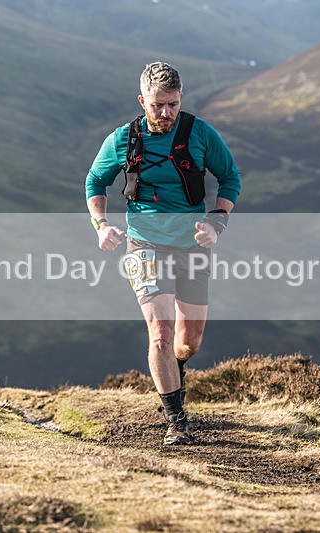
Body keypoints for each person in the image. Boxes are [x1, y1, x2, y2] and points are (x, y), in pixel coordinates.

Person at [85, 62, 241, 445]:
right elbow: (95, 181)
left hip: (192, 245)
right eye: (157, 105)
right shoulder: (122, 139)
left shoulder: (200, 134)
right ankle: (176, 420)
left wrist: (215, 223)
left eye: (172, 104)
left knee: (189, 340)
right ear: (142, 102)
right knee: (160, 331)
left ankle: (174, 369)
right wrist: (102, 225)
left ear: (181, 99)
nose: (166, 113)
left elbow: (230, 178)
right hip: (144, 244)